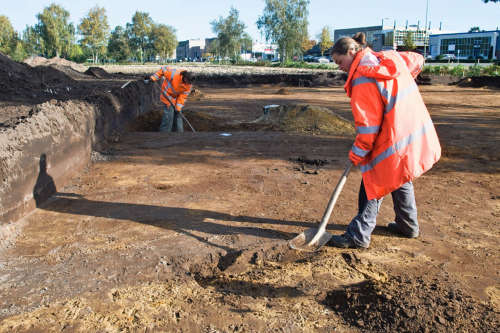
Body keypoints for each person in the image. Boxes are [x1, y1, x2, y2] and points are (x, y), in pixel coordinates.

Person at [328, 32, 441, 248]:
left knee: (373, 181)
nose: (339, 67)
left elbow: (368, 126)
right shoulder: (389, 59)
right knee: (400, 174)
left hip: (392, 136)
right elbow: (417, 60)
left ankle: (358, 235)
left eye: (339, 61)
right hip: (410, 131)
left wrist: (357, 152)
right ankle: (408, 225)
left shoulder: (363, 77)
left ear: (352, 52)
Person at [147, 67, 194, 132]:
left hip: (176, 98)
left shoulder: (189, 86)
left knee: (178, 114)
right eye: (188, 81)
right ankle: (165, 133)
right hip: (167, 95)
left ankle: (179, 133)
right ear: (185, 78)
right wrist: (154, 78)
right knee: (169, 115)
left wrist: (178, 108)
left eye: (190, 82)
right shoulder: (174, 74)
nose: (189, 83)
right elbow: (163, 69)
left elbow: (182, 97)